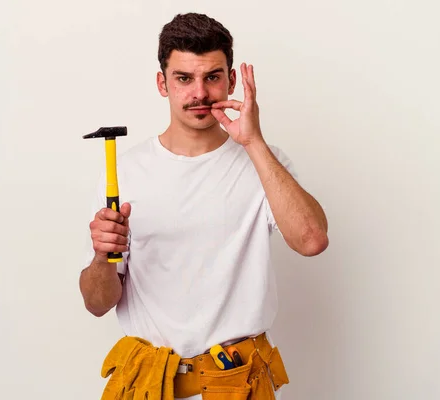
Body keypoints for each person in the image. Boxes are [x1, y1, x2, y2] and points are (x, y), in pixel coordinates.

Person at [80, 12, 329, 400]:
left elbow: (312, 240)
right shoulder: (126, 171)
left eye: (212, 76)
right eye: (184, 78)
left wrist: (254, 143)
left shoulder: (264, 163)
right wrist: (100, 258)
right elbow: (97, 303)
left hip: (237, 382)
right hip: (148, 384)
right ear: (163, 83)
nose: (200, 93)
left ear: (231, 80)